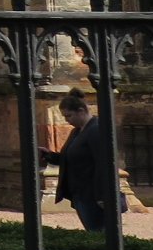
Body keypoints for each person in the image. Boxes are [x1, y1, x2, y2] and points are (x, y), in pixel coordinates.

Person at [43, 88, 125, 231]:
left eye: (68, 116)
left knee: (100, 233)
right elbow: (71, 158)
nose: (67, 120)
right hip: (81, 194)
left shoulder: (96, 129)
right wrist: (49, 155)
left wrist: (103, 196)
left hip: (94, 196)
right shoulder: (77, 131)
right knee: (94, 232)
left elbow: (104, 164)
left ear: (81, 111)